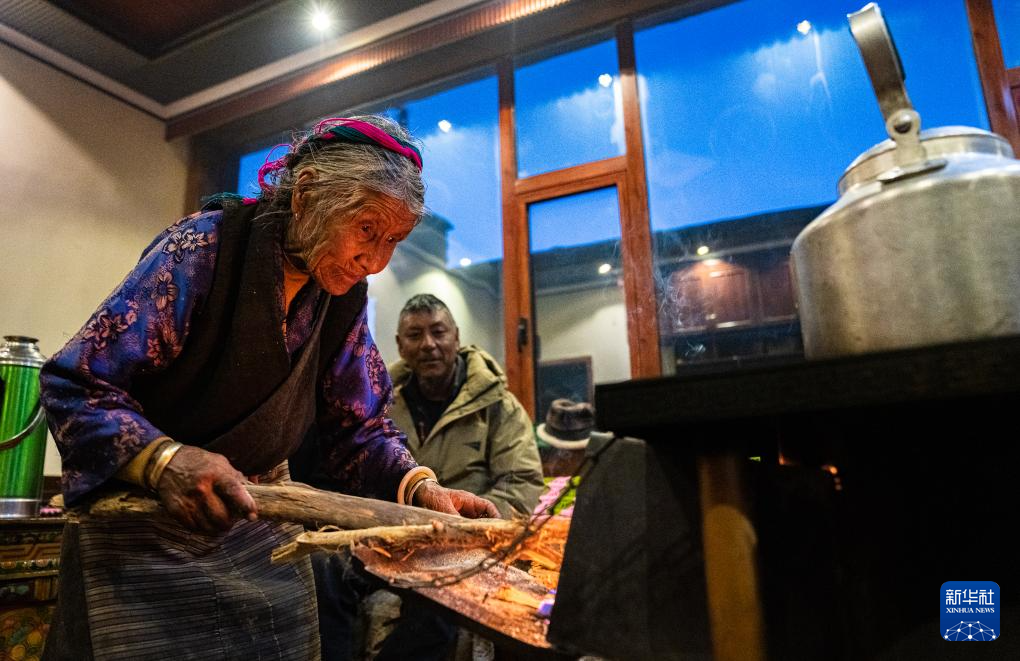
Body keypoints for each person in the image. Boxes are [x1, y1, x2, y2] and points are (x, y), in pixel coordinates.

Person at [38, 115, 499, 661]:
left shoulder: (341, 297)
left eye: (393, 240)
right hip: (148, 526)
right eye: (366, 229)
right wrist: (166, 461)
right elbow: (76, 383)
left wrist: (423, 491)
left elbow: (360, 429)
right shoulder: (203, 249)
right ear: (306, 194)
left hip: (259, 530)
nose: (375, 261)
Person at [349, 293, 544, 660]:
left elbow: (521, 482)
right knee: (326, 574)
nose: (428, 344)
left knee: (437, 607)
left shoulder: (498, 406)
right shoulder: (379, 406)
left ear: (456, 337)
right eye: (415, 335)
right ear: (400, 346)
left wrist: (466, 531)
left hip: (470, 545)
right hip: (393, 542)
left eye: (438, 332)